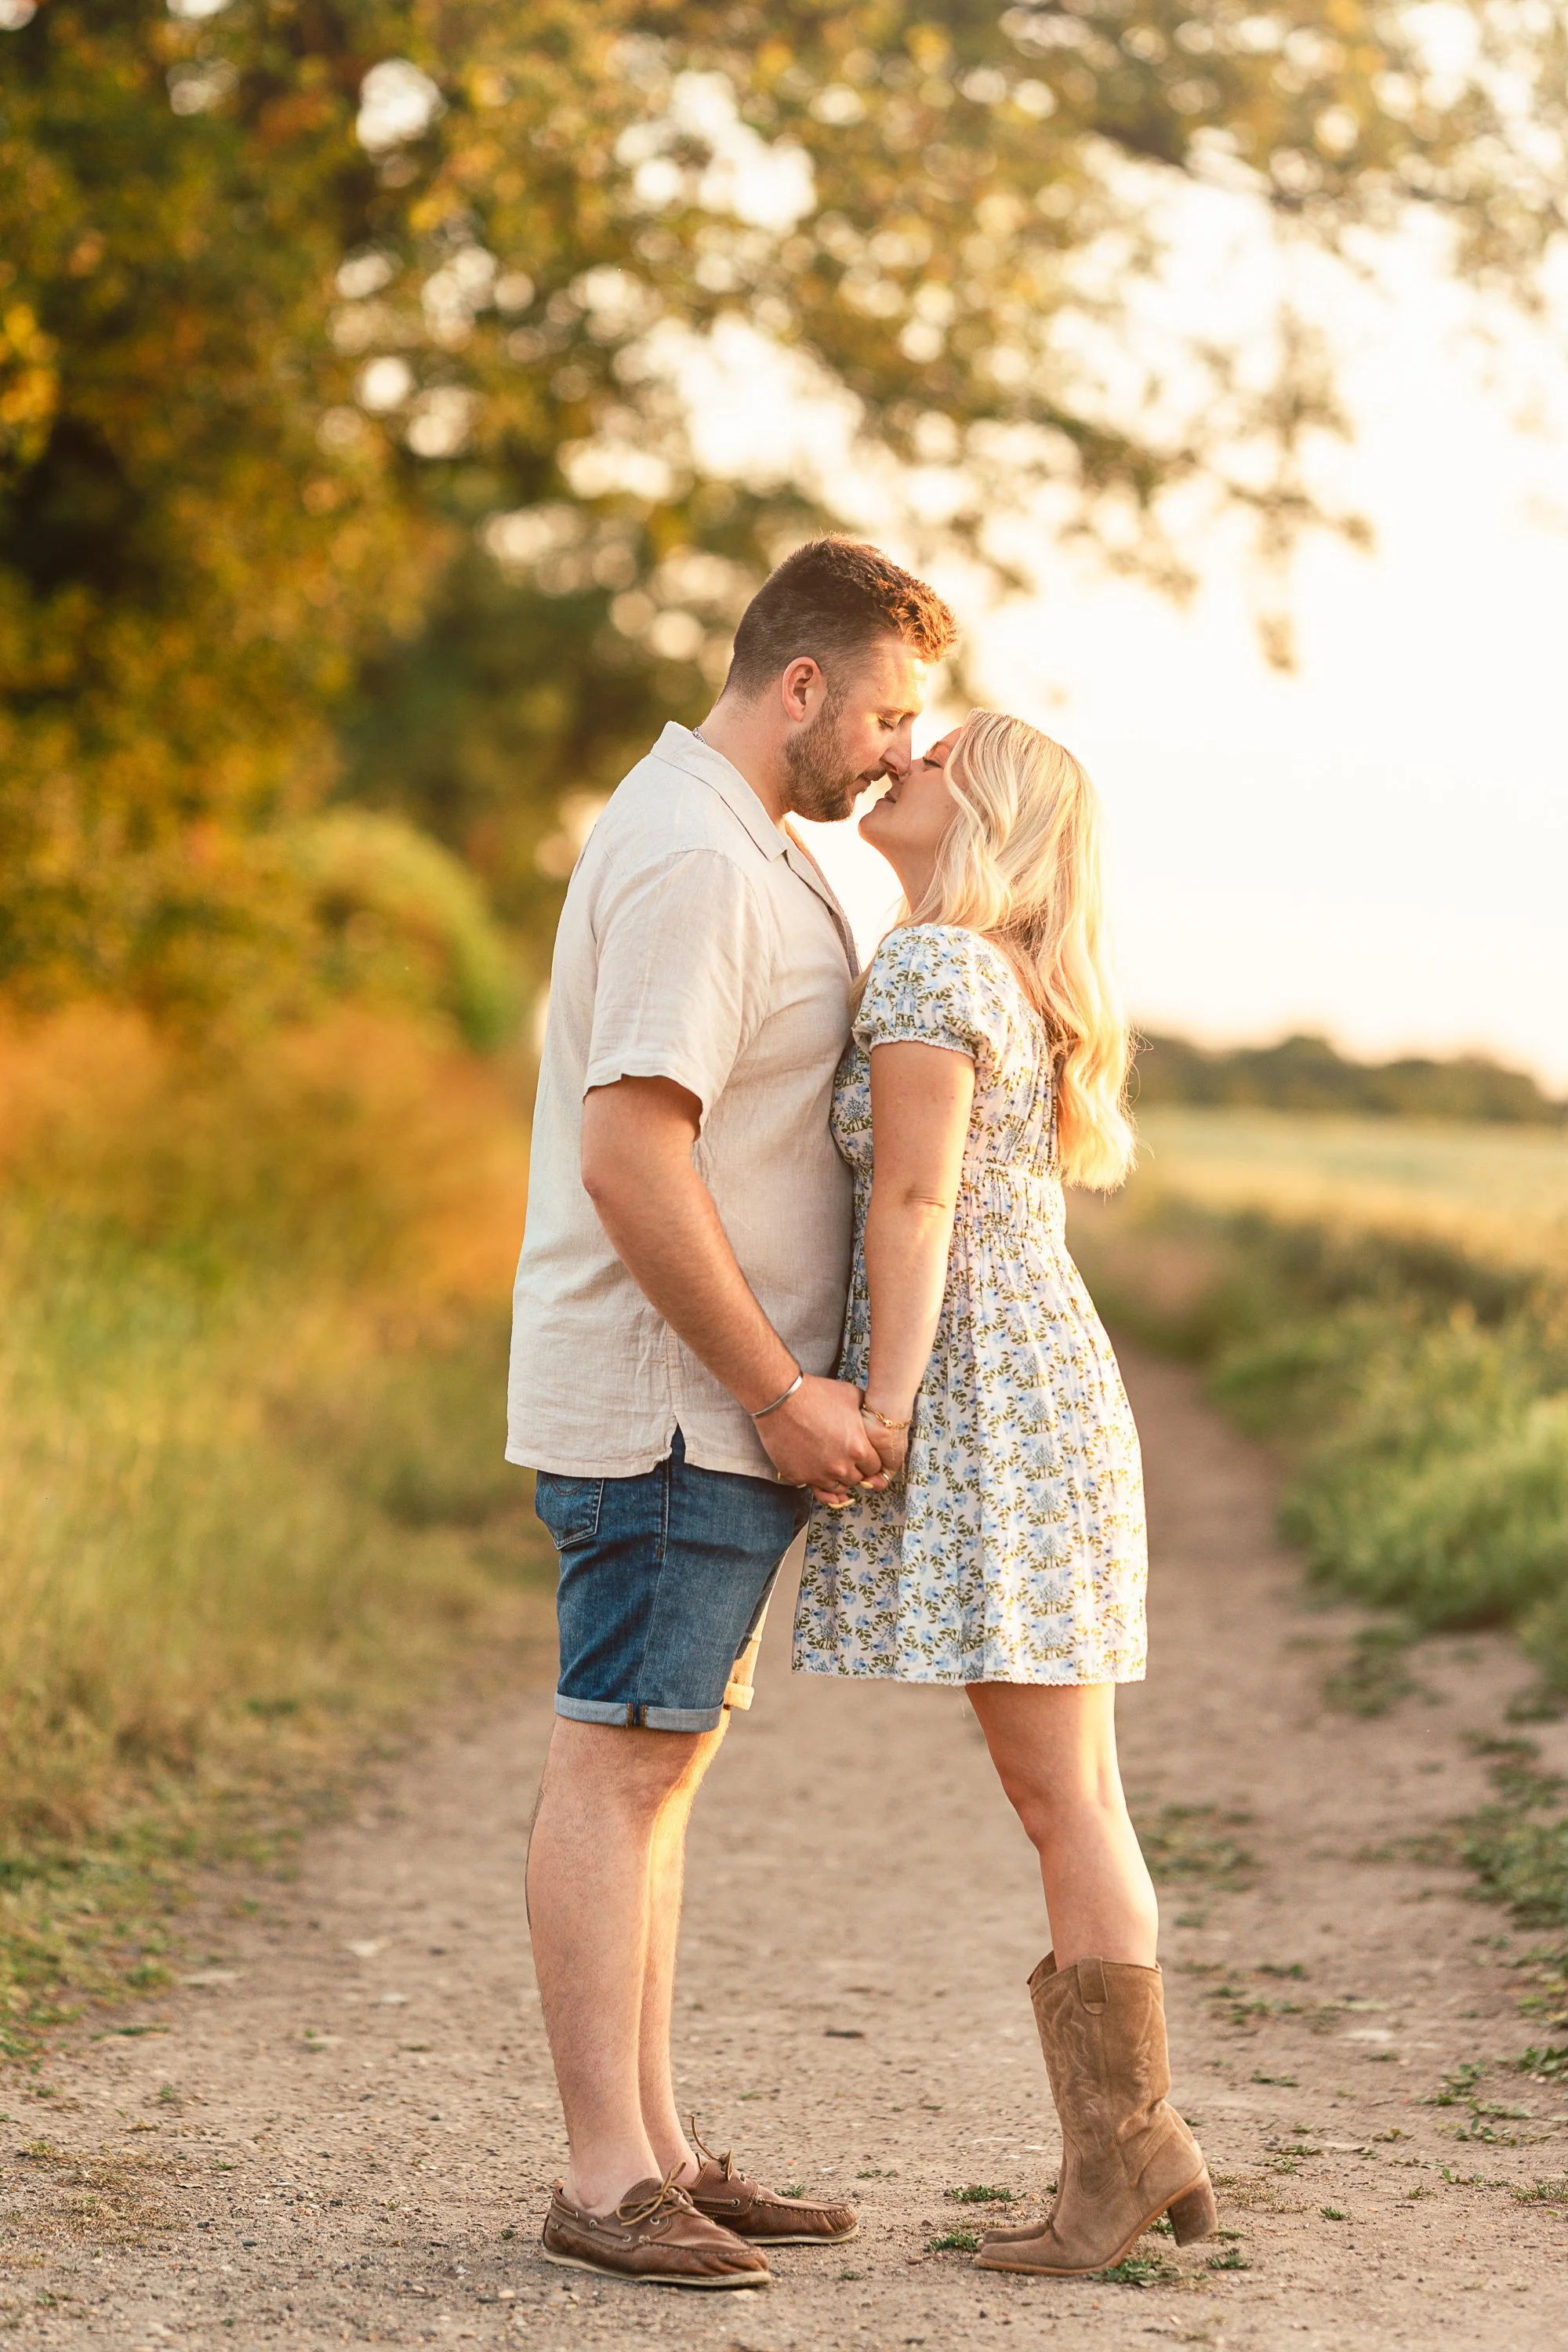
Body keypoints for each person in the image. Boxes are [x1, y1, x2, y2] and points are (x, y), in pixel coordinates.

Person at [508, 538, 959, 2287]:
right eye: (888, 715)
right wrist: (777, 1388)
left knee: (659, 1771)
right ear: (801, 689)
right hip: (673, 1410)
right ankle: (605, 2177)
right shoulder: (695, 854)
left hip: (711, 1419)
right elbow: (635, 1154)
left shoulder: (745, 840)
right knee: (615, 1764)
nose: (899, 755)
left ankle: (664, 2149)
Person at [792, 710, 1219, 2278]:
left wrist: (881, 1407)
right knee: (1075, 1798)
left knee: (1060, 1800)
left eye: (934, 753)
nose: (900, 756)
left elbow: (909, 1199)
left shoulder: (926, 967)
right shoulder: (993, 972)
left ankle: (1121, 2153)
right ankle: (1128, 2146)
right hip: (1046, 1382)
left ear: (985, 813)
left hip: (983, 1392)